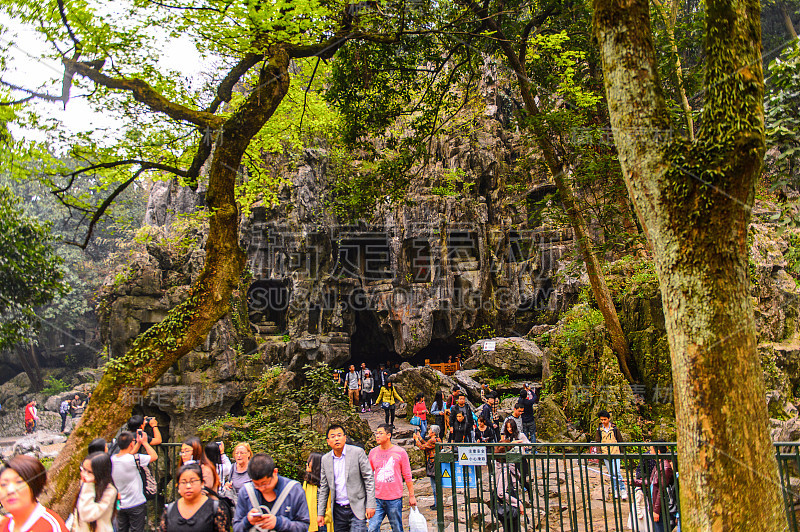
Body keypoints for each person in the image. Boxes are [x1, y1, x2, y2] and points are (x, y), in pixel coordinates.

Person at [318, 424, 375, 532]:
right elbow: (324, 488)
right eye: (333, 436)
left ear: (344, 437)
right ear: (328, 441)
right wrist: (320, 513)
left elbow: (369, 478)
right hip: (338, 510)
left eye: (339, 435)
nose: (336, 439)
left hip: (357, 506)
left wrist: (370, 504)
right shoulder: (325, 459)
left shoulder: (357, 453)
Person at [232, 453, 309, 532]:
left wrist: (279, 523)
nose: (261, 488)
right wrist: (247, 521)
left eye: (264, 483)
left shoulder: (294, 490)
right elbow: (236, 527)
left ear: (275, 472)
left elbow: (304, 526)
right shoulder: (246, 492)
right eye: (256, 485)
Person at [0, 455, 68, 532]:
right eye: (3, 484)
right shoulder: (3, 525)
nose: (10, 490)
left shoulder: (50, 526)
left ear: (35, 485)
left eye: (19, 482)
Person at [368, 425, 415, 532]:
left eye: (380, 433)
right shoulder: (373, 453)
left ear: (388, 435)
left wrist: (411, 495)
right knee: (372, 528)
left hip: (394, 498)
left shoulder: (400, 452)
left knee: (397, 528)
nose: (377, 436)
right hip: (376, 498)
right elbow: (368, 475)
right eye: (376, 433)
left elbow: (407, 475)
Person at [157, 463, 228, 532]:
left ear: (202, 483)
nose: (188, 486)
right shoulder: (170, 510)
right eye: (183, 482)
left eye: (192, 481)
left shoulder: (215, 508)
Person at [111, 431, 158, 532]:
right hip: (136, 502)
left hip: (121, 504)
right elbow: (154, 456)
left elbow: (126, 456)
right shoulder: (133, 459)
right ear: (131, 443)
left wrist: (138, 443)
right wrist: (144, 442)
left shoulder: (112, 460)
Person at [632, 443, 676, 532]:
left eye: (651, 450)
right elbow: (651, 482)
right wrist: (634, 482)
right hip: (655, 504)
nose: (650, 453)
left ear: (658, 452)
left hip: (661, 508)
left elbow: (661, 490)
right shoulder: (658, 465)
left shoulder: (665, 468)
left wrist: (656, 510)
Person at [72, 452, 117, 532]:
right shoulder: (85, 485)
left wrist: (88, 484)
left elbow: (87, 515)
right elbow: (77, 516)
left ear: (99, 473)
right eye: (83, 469)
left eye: (89, 472)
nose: (84, 474)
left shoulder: (110, 491)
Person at [594, 410, 628, 501]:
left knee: (617, 472)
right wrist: (599, 453)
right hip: (605, 453)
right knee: (612, 474)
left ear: (609, 419)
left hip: (615, 452)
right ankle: (615, 490)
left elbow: (620, 440)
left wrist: (622, 452)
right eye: (601, 420)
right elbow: (598, 442)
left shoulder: (614, 429)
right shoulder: (599, 430)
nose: (603, 421)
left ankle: (623, 489)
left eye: (605, 419)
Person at [412, 425, 440, 510]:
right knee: (434, 485)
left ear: (433, 432)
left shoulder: (433, 440)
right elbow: (427, 445)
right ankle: (436, 503)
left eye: (430, 430)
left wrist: (416, 440)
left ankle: (437, 504)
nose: (429, 431)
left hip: (433, 463)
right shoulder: (436, 439)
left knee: (434, 485)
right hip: (433, 463)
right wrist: (420, 438)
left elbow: (422, 447)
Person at [303, 452, 333, 532]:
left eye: (309, 461)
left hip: (324, 523)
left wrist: (326, 518)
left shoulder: (328, 483)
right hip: (311, 524)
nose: (307, 463)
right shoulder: (307, 483)